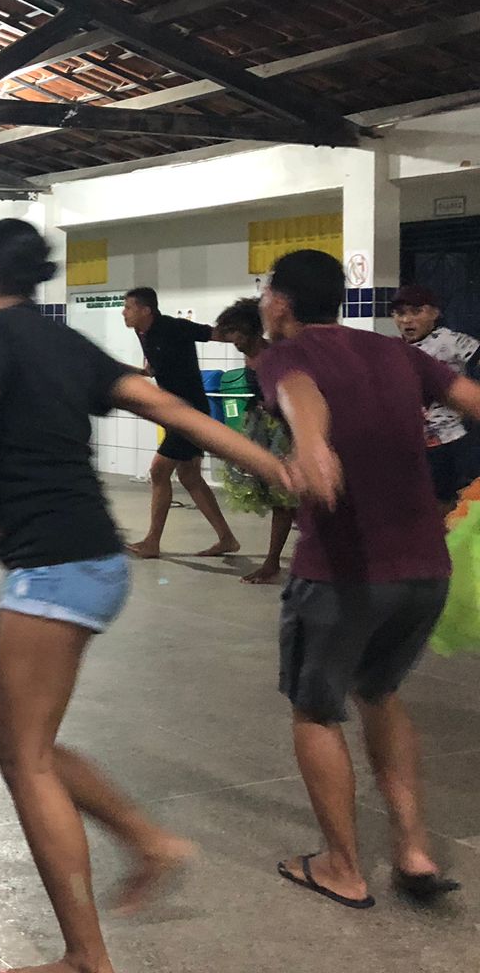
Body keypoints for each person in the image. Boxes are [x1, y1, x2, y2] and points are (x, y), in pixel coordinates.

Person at [0, 220, 292, 973]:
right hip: (91, 560)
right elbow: (168, 408)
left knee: (24, 757)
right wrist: (275, 466)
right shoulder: (63, 342)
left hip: (55, 567)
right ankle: (145, 844)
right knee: (15, 745)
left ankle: (89, 953)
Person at [257, 250, 474, 911]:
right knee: (380, 691)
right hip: (425, 568)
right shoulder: (397, 354)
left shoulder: (285, 355)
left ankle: (342, 868)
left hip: (343, 572)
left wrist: (312, 444)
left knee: (316, 709)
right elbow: (470, 398)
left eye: (266, 294)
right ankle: (413, 849)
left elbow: (300, 394)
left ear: (281, 302)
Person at [121, 286, 240, 559]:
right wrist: (123, 370)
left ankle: (152, 542)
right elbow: (151, 370)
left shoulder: (175, 327)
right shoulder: (142, 332)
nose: (123, 313)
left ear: (145, 310)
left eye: (128, 307)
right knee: (189, 476)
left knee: (158, 471)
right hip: (173, 413)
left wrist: (261, 344)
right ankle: (227, 538)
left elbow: (216, 334)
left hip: (190, 413)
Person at [212, 297, 296, 586]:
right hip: (263, 426)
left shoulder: (274, 355)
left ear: (252, 330)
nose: (233, 339)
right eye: (230, 332)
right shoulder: (252, 356)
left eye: (237, 332)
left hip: (285, 430)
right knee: (283, 500)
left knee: (284, 499)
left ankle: (272, 562)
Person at [391, 284, 480, 507]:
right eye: (400, 313)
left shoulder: (450, 341)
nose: (407, 320)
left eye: (416, 312)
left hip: (451, 441)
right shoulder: (394, 348)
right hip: (412, 443)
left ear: (434, 313)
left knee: (449, 504)